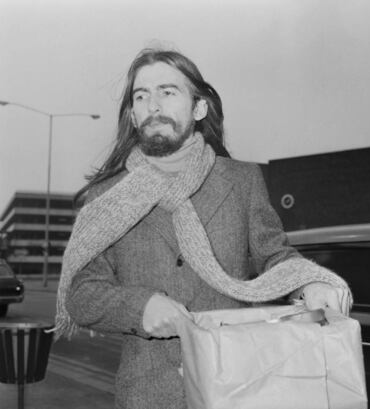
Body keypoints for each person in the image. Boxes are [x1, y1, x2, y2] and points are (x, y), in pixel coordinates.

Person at [55, 48, 351, 409]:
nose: (153, 105)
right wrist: (139, 307)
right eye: (141, 96)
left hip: (235, 387)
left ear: (198, 109)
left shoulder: (242, 181)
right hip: (147, 396)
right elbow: (81, 293)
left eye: (168, 92)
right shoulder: (105, 197)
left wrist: (309, 281)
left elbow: (275, 254)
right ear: (132, 115)